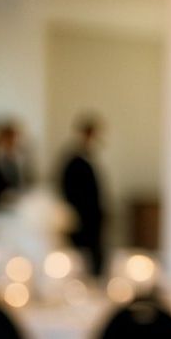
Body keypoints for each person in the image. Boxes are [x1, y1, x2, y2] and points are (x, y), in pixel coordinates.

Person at [59, 115, 107, 276]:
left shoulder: (88, 159)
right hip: (82, 216)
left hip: (92, 216)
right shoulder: (73, 161)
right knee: (82, 255)